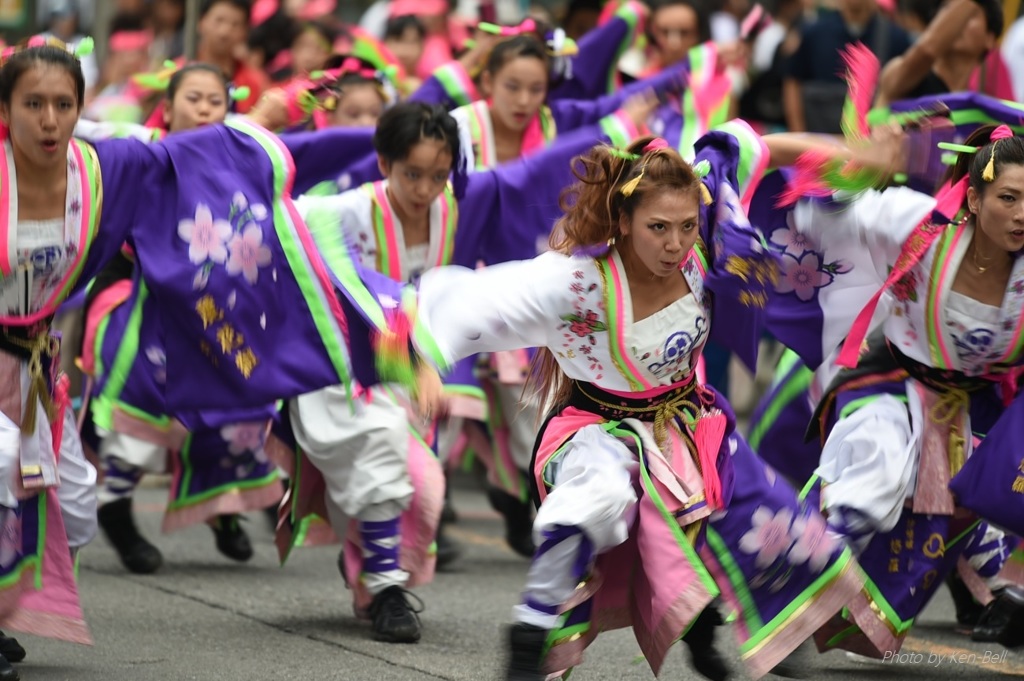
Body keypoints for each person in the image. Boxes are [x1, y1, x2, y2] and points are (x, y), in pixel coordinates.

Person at [0, 37, 420, 674]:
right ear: (6, 110)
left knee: (73, 511)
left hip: (34, 370)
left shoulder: (105, 168)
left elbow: (198, 151)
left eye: (63, 103)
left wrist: (277, 111)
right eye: (33, 104)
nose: (50, 120)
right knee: (4, 471)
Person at [388, 122, 866, 680]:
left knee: (769, 516)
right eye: (657, 227)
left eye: (686, 227)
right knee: (594, 501)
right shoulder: (574, 283)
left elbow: (741, 145)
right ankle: (527, 637)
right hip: (599, 427)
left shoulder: (703, 245)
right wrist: (422, 362)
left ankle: (744, 627)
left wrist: (843, 151)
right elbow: (463, 300)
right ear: (622, 221)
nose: (674, 243)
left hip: (690, 419)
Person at [279, 98, 650, 642]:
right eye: (411, 174)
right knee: (383, 453)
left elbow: (533, 174)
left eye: (437, 174)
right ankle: (385, 589)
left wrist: (616, 136)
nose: (426, 188)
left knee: (424, 490)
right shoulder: (336, 214)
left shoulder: (459, 205)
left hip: (415, 370)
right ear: (383, 164)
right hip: (344, 371)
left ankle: (372, 568)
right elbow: (335, 279)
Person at [753, 122, 1024, 656]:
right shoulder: (918, 223)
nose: (1022, 214)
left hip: (975, 413)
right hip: (891, 385)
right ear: (972, 197)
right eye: (1010, 198)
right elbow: (824, 211)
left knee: (973, 524)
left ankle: (990, 592)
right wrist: (750, 145)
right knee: (867, 489)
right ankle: (791, 612)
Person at [80, 64, 281, 575]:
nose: (206, 109)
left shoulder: (238, 159)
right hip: (142, 299)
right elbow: (80, 132)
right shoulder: (141, 148)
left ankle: (222, 508)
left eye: (216, 101)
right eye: (194, 98)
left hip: (218, 309)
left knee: (239, 405)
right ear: (167, 108)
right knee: (145, 402)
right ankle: (117, 506)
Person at [876, 0, 1004, 106]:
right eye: (947, 11)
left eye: (968, 16)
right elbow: (927, 50)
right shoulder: (899, 76)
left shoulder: (976, 111)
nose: (955, 22)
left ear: (990, 39)